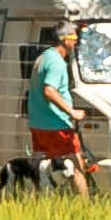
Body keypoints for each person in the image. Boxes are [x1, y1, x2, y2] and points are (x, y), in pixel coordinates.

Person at [22, 27, 89, 192]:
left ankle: (34, 202)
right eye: (74, 37)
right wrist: (72, 112)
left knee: (39, 167)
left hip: (38, 123)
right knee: (76, 166)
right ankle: (85, 208)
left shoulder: (43, 58)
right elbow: (49, 90)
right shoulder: (57, 62)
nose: (76, 42)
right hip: (56, 124)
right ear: (66, 40)